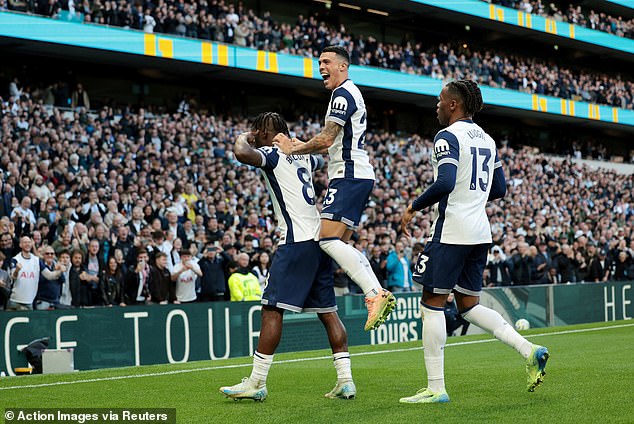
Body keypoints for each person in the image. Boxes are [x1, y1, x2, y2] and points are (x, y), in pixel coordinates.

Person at [399, 80, 549, 404]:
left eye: (440, 100)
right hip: (480, 231)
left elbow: (446, 181)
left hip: (451, 230)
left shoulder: (447, 136)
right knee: (468, 306)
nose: (436, 106)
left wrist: (413, 207)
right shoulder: (487, 139)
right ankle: (529, 349)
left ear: (454, 105)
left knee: (431, 305)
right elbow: (499, 189)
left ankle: (436, 387)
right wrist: (473, 197)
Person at [220, 112, 356, 401]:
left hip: (296, 242)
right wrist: (300, 143)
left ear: (264, 134)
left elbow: (242, 153)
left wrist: (245, 136)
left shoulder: (272, 153)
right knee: (328, 312)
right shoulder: (302, 155)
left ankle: (257, 382)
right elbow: (324, 153)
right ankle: (346, 380)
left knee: (271, 309)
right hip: (319, 240)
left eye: (259, 132)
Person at [273, 45, 395, 332]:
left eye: (326, 62)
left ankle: (374, 293)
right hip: (357, 175)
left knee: (326, 240)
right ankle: (376, 291)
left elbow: (327, 139)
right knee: (338, 243)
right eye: (319, 63)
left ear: (343, 66)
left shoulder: (342, 94)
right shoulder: (349, 93)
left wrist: (294, 148)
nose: (321, 68)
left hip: (349, 175)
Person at [7, 236, 41, 311]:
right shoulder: (15, 259)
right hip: (15, 301)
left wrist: (59, 271)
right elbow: (13, 277)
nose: (27, 244)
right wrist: (17, 270)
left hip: (29, 302)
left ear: (32, 244)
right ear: (20, 245)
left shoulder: (37, 260)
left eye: (29, 242)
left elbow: (49, 275)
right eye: (25, 242)